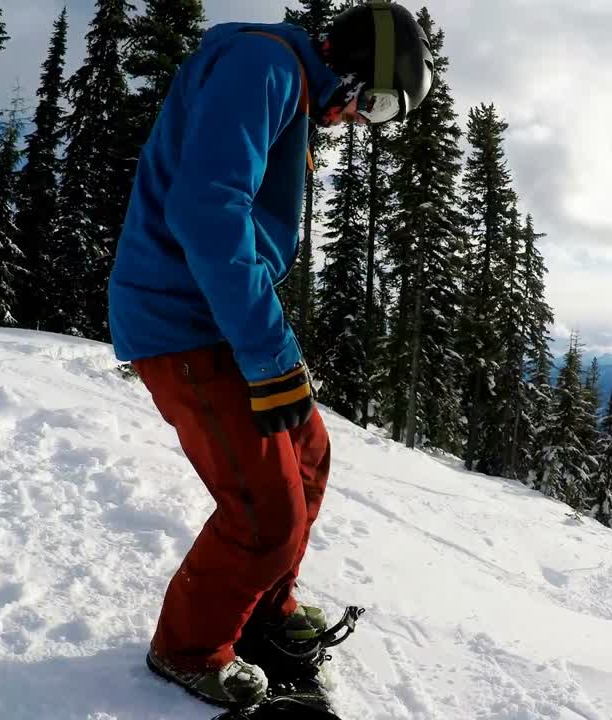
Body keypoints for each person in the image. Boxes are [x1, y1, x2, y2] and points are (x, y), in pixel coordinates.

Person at [108, 1, 434, 708]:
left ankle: (262, 609)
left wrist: (266, 347)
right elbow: (207, 211)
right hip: (184, 321)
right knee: (263, 513)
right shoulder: (265, 67)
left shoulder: (280, 75)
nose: (358, 122)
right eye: (374, 107)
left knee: (309, 455)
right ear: (355, 72)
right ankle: (187, 649)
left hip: (215, 315)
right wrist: (267, 356)